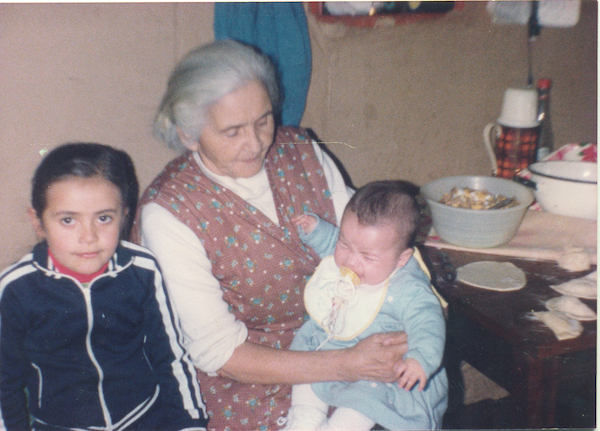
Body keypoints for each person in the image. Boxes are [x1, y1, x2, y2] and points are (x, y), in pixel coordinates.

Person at [133, 39, 412, 430]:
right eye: (232, 132)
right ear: (189, 135)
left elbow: (371, 245)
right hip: (248, 385)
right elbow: (222, 355)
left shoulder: (300, 150)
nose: (256, 143)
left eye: (264, 121)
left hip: (346, 337)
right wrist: (346, 364)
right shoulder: (170, 213)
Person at [0, 143, 208, 431]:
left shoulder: (142, 269)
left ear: (124, 216)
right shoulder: (15, 289)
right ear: (38, 222)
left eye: (103, 218)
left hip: (145, 417)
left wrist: (190, 424)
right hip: (60, 425)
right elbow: (4, 382)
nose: (89, 237)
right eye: (68, 220)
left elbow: (171, 356)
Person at [284, 180, 448, 430]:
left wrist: (420, 360)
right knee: (305, 363)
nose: (350, 261)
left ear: (401, 258)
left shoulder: (408, 288)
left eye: (367, 257)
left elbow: (428, 323)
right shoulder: (354, 252)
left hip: (377, 370)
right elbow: (332, 243)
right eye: (345, 244)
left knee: (365, 401)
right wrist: (317, 230)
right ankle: (303, 420)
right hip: (330, 343)